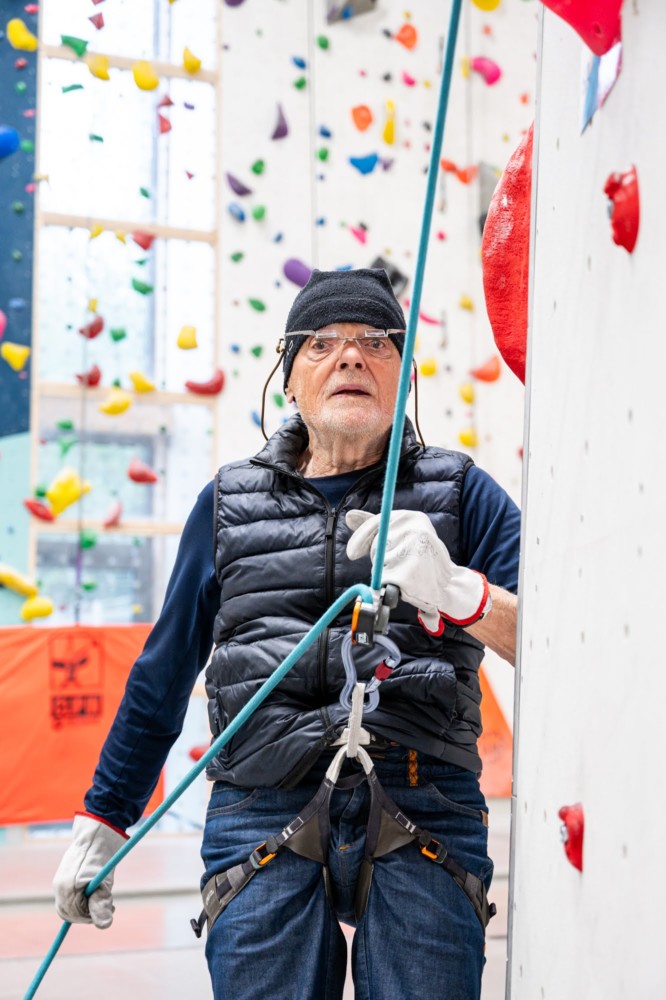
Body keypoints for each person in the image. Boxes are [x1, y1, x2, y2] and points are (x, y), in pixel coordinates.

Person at [53, 268, 520, 1000]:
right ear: (289, 377)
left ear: (405, 375)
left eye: (375, 342)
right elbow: (164, 672)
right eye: (322, 344)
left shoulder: (465, 496)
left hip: (425, 793)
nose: (351, 357)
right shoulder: (227, 504)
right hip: (260, 800)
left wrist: (461, 592)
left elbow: (557, 646)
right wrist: (104, 818)